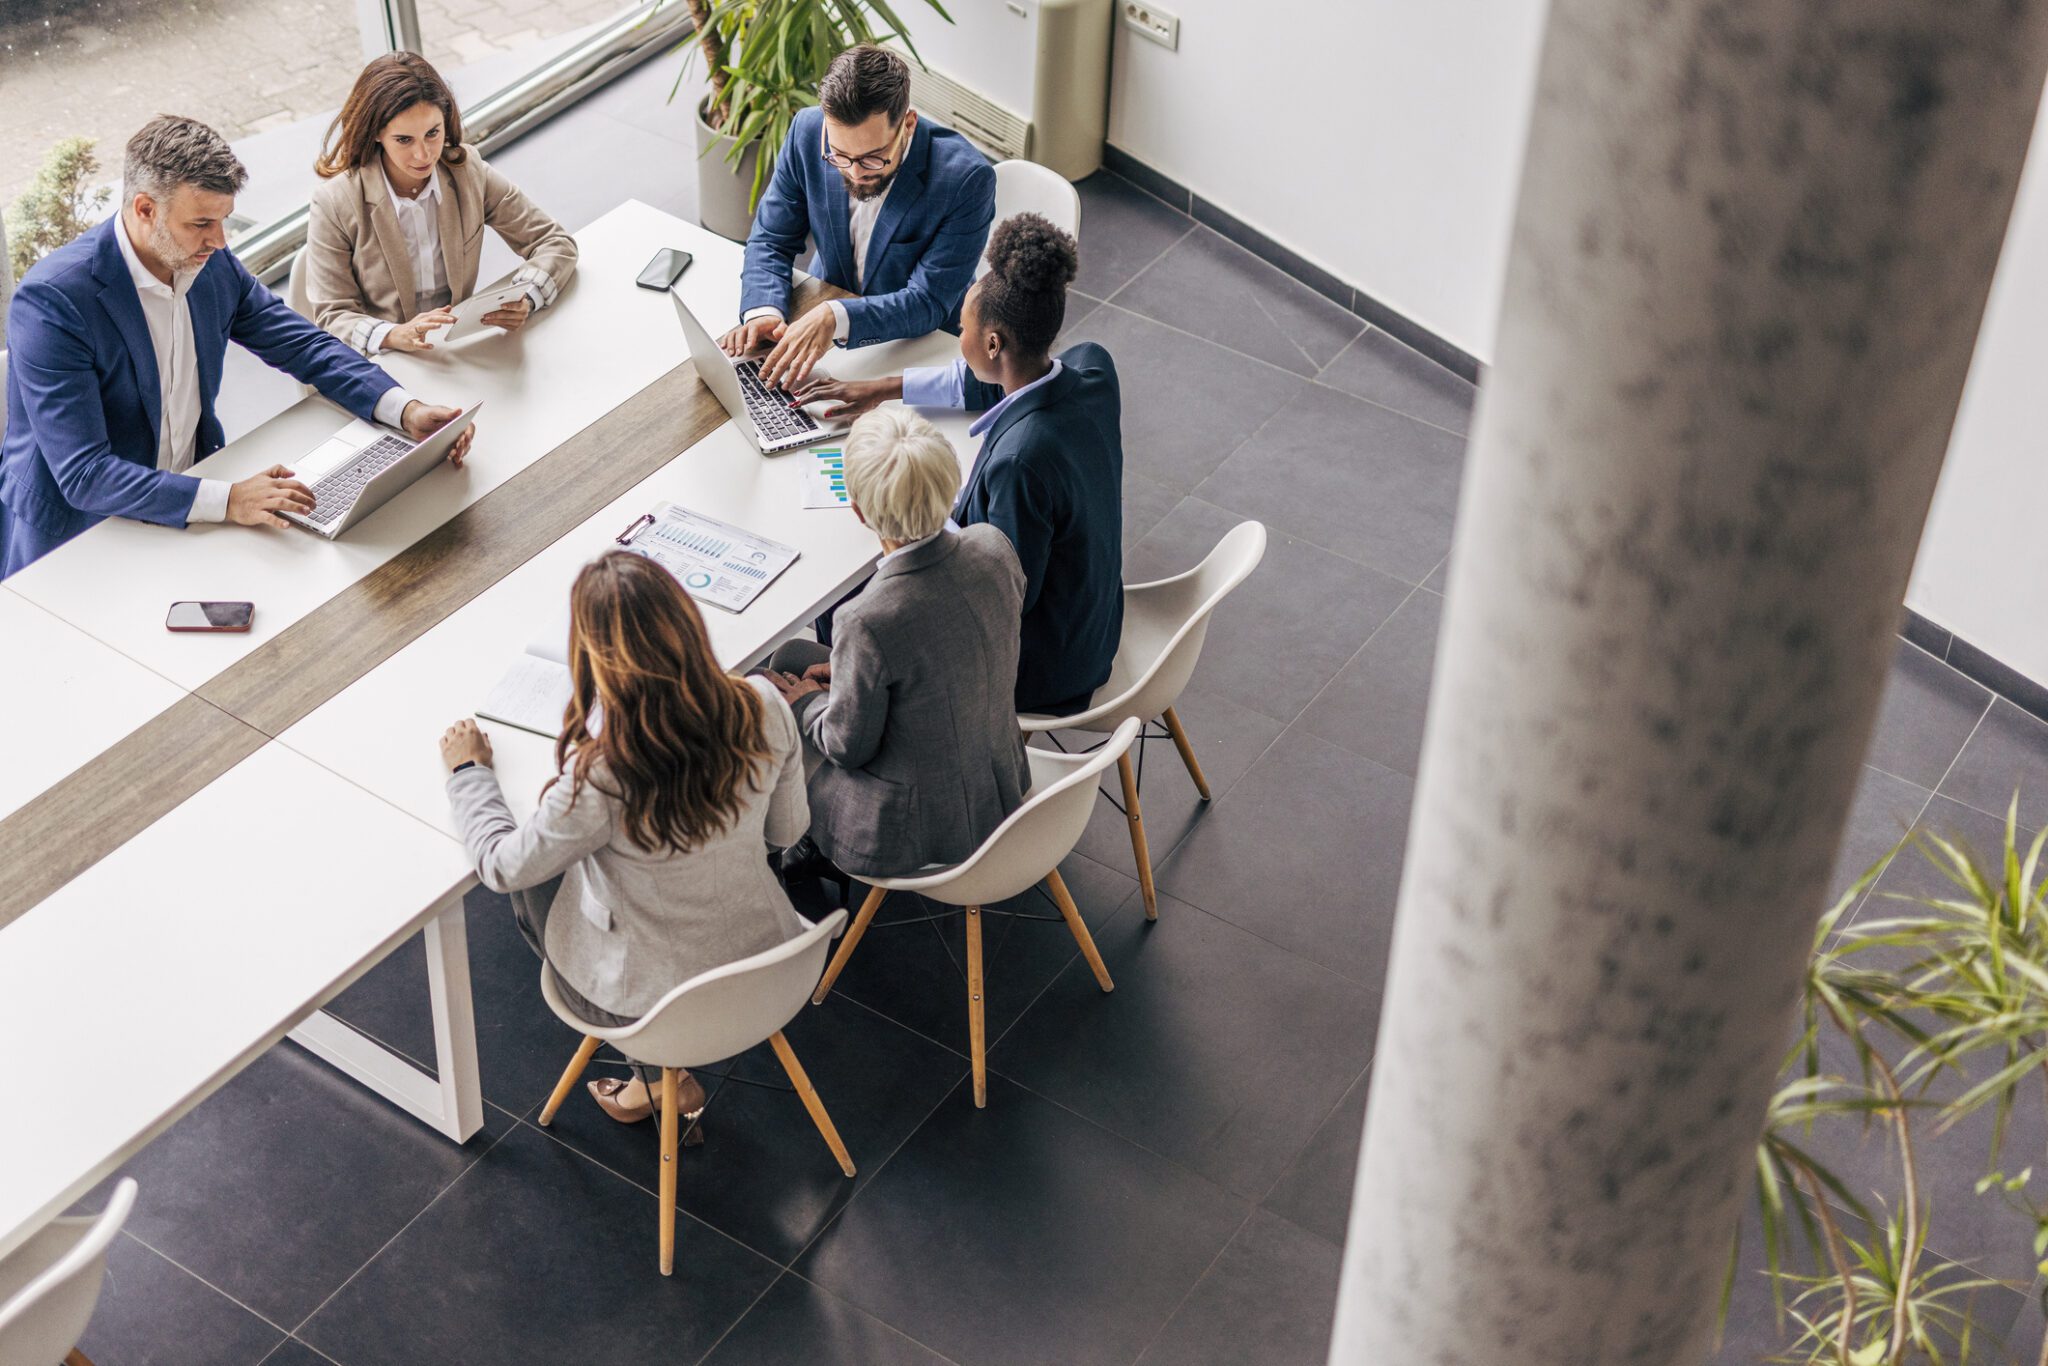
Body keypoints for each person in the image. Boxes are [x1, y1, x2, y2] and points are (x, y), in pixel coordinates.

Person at [0, 115, 473, 578]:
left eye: (224, 220)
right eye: (202, 223)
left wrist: (404, 408)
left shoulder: (212, 263)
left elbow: (301, 344)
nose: (220, 241)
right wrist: (229, 500)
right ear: (145, 210)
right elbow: (85, 474)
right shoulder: (54, 302)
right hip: (80, 544)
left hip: (190, 506)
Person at [439, 550, 810, 1126]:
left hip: (653, 1005)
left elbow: (500, 866)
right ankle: (659, 1081)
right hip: (771, 966)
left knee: (534, 887)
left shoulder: (604, 773)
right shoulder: (761, 703)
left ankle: (658, 1078)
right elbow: (787, 833)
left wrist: (469, 774)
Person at [795, 215, 1122, 716]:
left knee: (848, 602)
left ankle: (844, 705)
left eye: (964, 328)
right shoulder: (1092, 366)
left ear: (992, 344)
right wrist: (881, 387)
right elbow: (990, 382)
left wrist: (914, 513)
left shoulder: (1019, 463)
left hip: (1043, 668)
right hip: (1095, 618)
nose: (959, 334)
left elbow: (1001, 597)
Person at [765, 407, 1029, 881]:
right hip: (1000, 783)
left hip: (916, 828)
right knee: (793, 657)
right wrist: (850, 673)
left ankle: (792, 849)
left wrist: (809, 704)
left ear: (861, 512)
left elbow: (847, 746)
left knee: (773, 692)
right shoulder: (994, 546)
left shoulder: (867, 619)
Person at [723, 43, 996, 392]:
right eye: (839, 155)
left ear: (908, 125)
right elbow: (770, 238)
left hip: (920, 346)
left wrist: (836, 317)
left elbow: (928, 301)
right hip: (824, 322)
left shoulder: (965, 179)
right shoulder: (807, 133)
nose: (854, 173)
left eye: (872, 158)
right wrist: (764, 313)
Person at [304, 51, 578, 355]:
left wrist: (526, 296)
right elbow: (333, 315)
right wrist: (393, 335)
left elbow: (554, 242)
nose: (423, 155)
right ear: (377, 134)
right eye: (404, 140)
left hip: (457, 350)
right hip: (386, 361)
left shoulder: (468, 171)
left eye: (433, 133)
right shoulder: (334, 202)